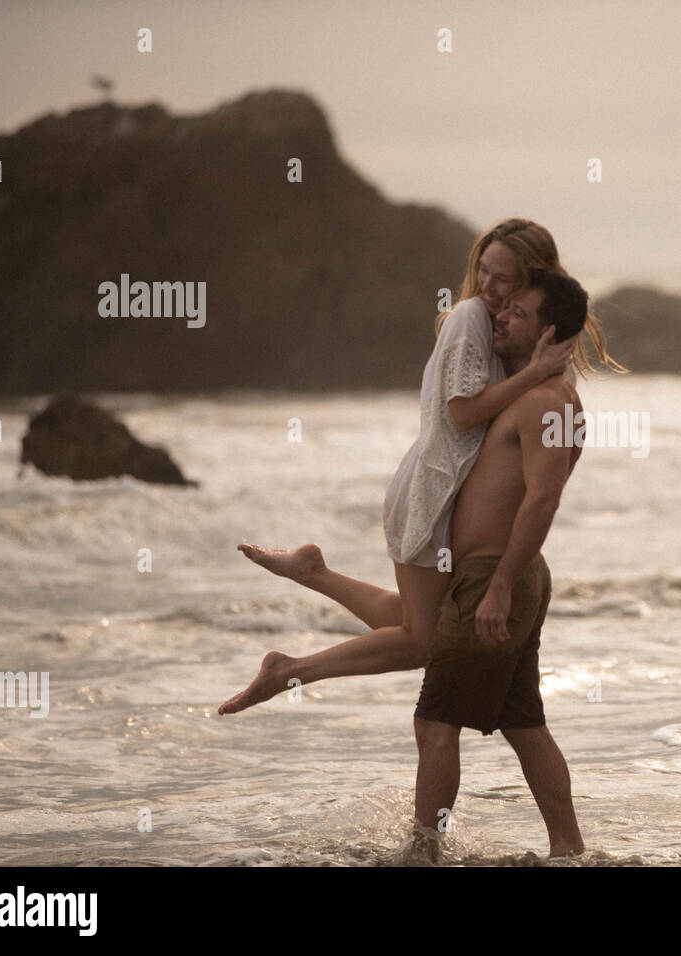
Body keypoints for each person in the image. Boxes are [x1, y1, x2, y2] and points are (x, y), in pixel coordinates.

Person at [218, 220, 621, 714]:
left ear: (531, 283)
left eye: (504, 279)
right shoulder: (471, 318)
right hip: (430, 493)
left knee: (415, 619)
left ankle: (313, 572)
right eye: (483, 271)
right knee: (422, 641)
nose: (489, 287)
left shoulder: (514, 330)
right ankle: (287, 670)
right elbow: (465, 412)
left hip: (452, 493)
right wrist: (537, 373)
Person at [411, 268, 589, 859]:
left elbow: (544, 497)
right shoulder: (553, 397)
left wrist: (499, 586)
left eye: (518, 312)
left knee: (436, 722)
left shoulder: (542, 402)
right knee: (525, 725)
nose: (502, 318)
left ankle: (424, 851)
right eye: (503, 308)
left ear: (550, 332)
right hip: (507, 573)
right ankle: (567, 848)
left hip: (496, 575)